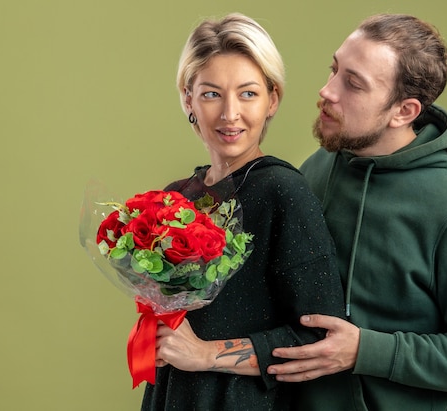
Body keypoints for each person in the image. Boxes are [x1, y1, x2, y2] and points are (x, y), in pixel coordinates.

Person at [266, 13, 447, 410]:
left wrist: (365, 350)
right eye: (335, 70)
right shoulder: (316, 168)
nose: (327, 91)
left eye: (353, 84)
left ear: (403, 111)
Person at [140, 13, 345, 411]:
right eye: (212, 94)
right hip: (173, 396)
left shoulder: (283, 192)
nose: (230, 114)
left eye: (248, 93)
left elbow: (320, 340)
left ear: (273, 100)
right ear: (188, 99)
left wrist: (205, 353)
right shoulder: (175, 199)